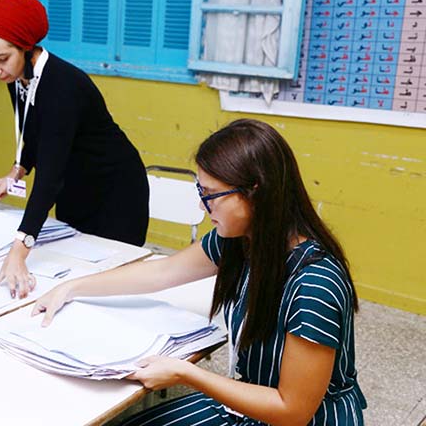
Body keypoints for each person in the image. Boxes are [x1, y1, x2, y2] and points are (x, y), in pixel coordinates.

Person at [33, 119, 366, 425]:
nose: (202, 207)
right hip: (252, 401)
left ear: (256, 192)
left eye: (211, 196)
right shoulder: (243, 240)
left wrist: (186, 374)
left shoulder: (314, 283)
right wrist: (70, 288)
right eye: (200, 193)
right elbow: (162, 272)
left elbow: (292, 410)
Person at [0, 0, 149, 299]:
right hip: (74, 186)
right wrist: (15, 173)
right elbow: (33, 132)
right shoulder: (19, 77)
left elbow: (49, 176)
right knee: (71, 278)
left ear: (26, 47)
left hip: (115, 192)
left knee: (108, 285)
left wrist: (20, 249)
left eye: (1, 59)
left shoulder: (62, 86)